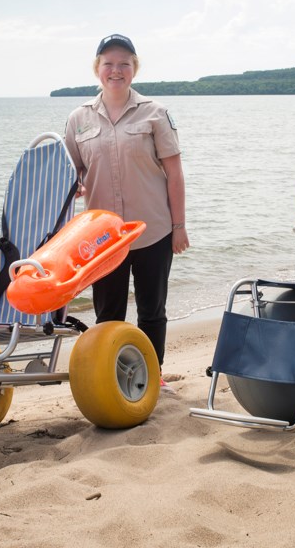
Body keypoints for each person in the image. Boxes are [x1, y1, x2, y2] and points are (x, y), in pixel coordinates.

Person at [64, 33, 189, 374]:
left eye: (124, 63)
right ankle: (112, 378)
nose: (116, 70)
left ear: (134, 68)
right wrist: (72, 184)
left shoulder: (155, 113)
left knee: (152, 312)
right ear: (97, 69)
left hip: (154, 231)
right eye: (108, 64)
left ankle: (153, 376)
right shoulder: (79, 119)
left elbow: (175, 174)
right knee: (107, 315)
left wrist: (179, 227)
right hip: (103, 240)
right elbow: (70, 173)